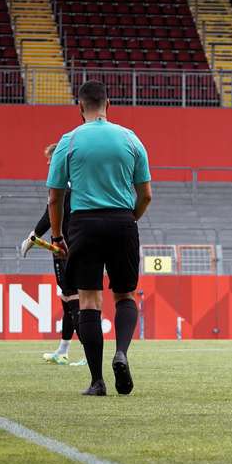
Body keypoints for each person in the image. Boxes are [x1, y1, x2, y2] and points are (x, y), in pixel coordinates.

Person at [46, 80, 152, 397]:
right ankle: (122, 353)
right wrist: (130, 218)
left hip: (83, 223)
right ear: (109, 104)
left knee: (89, 300)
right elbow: (146, 194)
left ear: (80, 107)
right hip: (122, 221)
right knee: (125, 295)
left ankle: (97, 380)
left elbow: (55, 197)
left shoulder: (69, 140)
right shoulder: (130, 139)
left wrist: (56, 234)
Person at [23, 142, 83, 365]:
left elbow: (50, 212)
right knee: (67, 297)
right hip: (64, 245)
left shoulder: (63, 185)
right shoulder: (71, 183)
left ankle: (88, 354)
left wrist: (33, 235)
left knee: (73, 297)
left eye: (50, 159)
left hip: (67, 246)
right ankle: (64, 350)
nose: (48, 163)